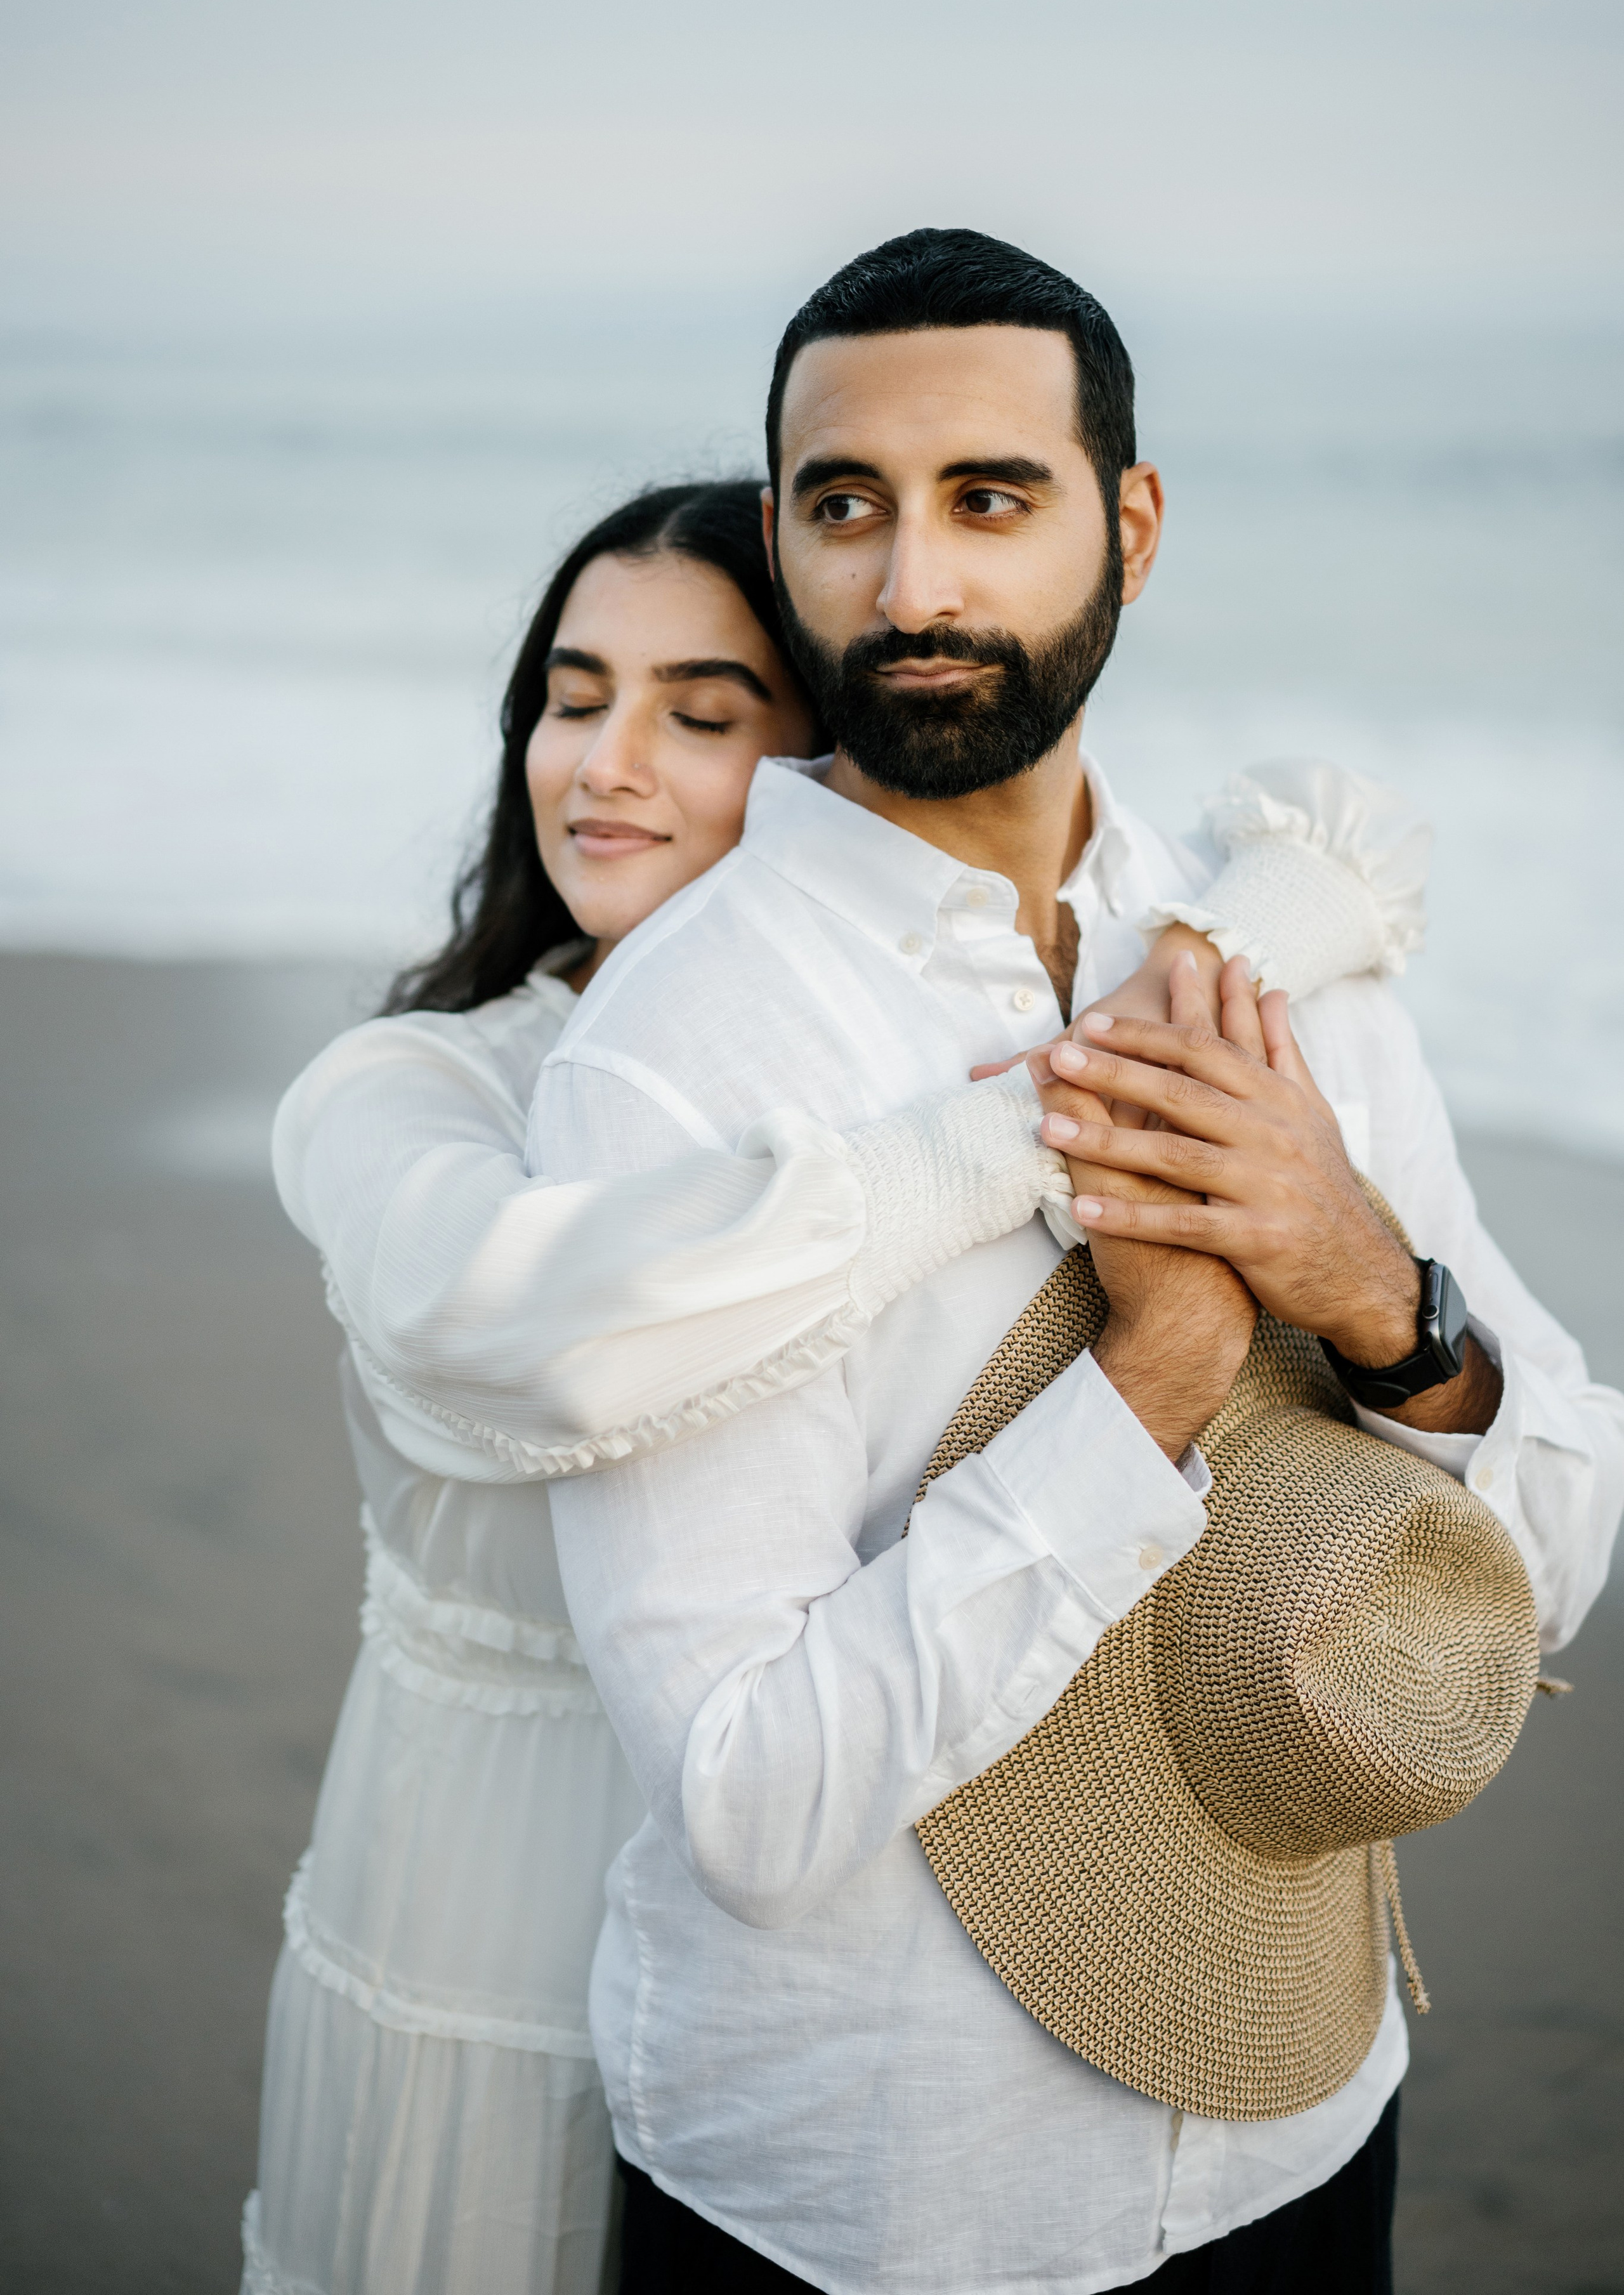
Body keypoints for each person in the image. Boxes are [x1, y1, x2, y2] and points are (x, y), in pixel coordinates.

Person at [527, 232, 1624, 2294]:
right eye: (846, 507)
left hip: (1313, 2119)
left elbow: (1556, 1556)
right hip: (881, 2195)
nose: (914, 586)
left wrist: (1381, 1297)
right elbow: (752, 1807)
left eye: (992, 499)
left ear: (1128, 522)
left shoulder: (1269, 961)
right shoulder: (674, 1066)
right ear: (780, 536)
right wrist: (1153, 1387)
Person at [242, 481, 1425, 2295]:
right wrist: (1074, 1108)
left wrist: (1202, 960)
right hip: (479, 1911)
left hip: (810, 1981)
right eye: (574, 698)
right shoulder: (410, 1095)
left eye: (706, 717)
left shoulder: (895, 1052)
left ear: (829, 773)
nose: (610, 766)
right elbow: (535, 1329)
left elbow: (1344, 838)